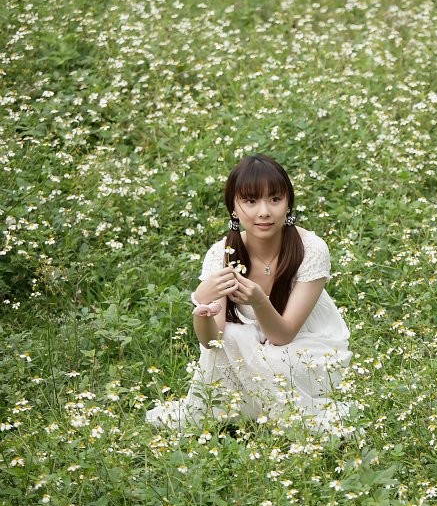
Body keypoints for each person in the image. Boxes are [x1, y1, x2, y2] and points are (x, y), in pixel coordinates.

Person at [146, 155, 353, 434]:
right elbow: (213, 342)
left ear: (288, 203)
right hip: (251, 352)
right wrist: (201, 307)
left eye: (275, 199)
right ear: (234, 208)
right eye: (251, 201)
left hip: (304, 349)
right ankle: (259, 407)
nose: (264, 212)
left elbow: (283, 335)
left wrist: (258, 301)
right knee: (232, 337)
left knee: (277, 360)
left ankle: (265, 408)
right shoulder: (222, 255)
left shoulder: (311, 249)